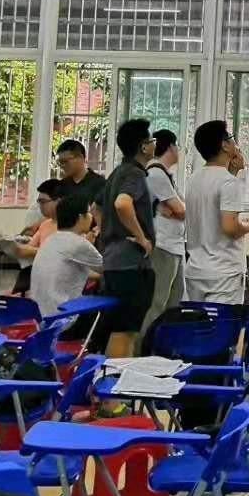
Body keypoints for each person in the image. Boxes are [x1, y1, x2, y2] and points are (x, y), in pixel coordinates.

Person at [98, 118, 157, 359]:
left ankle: (114, 379)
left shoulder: (117, 173)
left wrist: (107, 232)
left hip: (113, 260)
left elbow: (96, 208)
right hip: (130, 265)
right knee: (125, 331)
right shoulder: (134, 174)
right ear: (143, 146)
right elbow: (122, 203)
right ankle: (116, 382)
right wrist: (141, 237)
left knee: (119, 328)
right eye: (152, 140)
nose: (154, 144)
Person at [184, 120, 249, 304]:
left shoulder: (194, 179)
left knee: (200, 320)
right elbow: (230, 227)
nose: (236, 143)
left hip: (196, 269)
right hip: (223, 273)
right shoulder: (229, 183)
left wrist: (234, 172)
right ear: (224, 145)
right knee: (223, 322)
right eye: (232, 138)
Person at [29, 188, 102, 318]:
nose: (91, 217)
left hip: (39, 315)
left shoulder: (51, 240)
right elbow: (110, 268)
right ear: (80, 217)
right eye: (89, 213)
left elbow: (68, 272)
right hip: (62, 318)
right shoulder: (78, 243)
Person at [142, 129, 186, 333]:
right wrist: (176, 209)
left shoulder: (165, 174)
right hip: (163, 245)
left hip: (174, 246)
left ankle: (163, 344)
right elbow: (181, 210)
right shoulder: (155, 173)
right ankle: (144, 347)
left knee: (173, 303)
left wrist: (176, 209)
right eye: (177, 146)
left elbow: (180, 209)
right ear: (171, 147)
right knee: (157, 303)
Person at [6, 179, 64, 295]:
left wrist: (35, 251)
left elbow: (61, 254)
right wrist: (10, 245)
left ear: (58, 201)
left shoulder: (70, 225)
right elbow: (27, 249)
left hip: (58, 279)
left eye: (43, 201)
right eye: (38, 201)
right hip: (39, 275)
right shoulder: (45, 225)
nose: (40, 206)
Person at [55, 139, 106, 228]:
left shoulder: (100, 184)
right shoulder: (62, 185)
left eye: (65, 161)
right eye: (60, 162)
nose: (62, 166)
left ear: (81, 158)